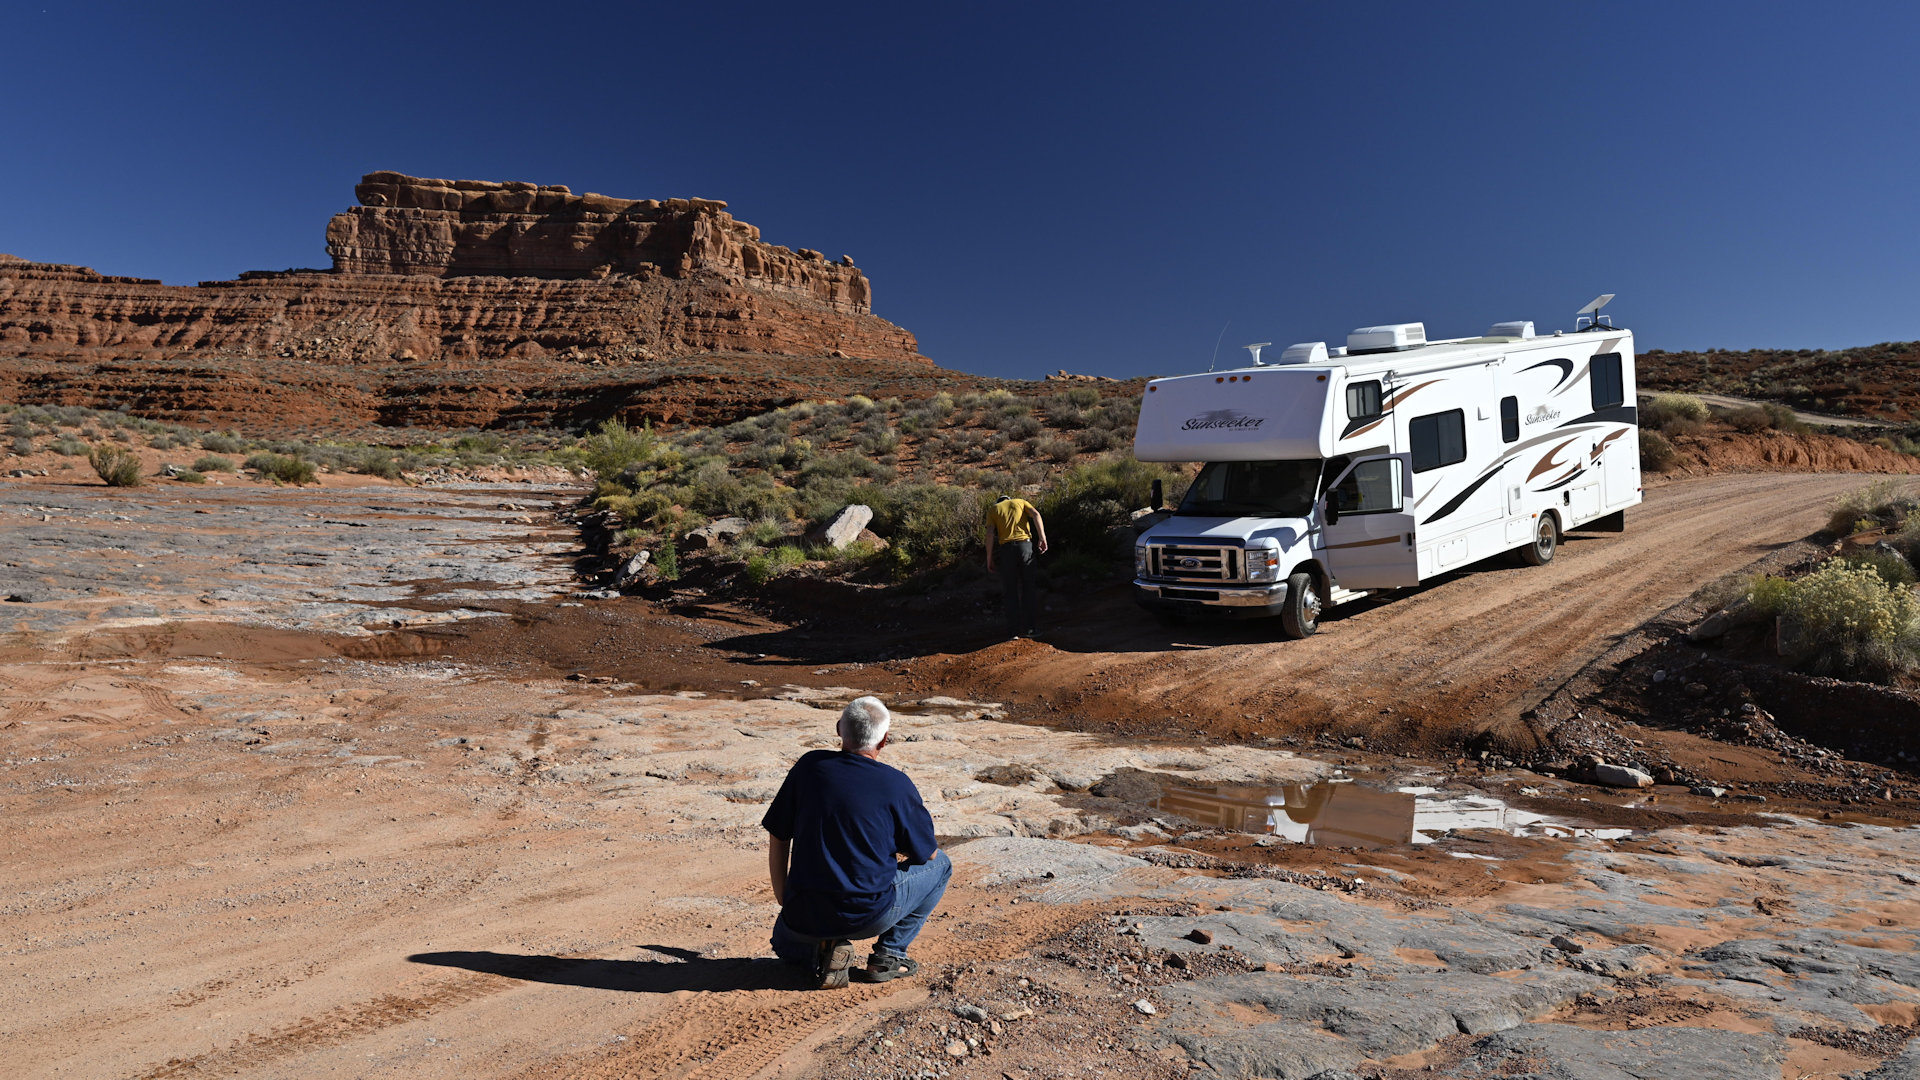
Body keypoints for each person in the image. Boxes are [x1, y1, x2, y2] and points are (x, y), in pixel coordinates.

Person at [764, 696, 950, 990]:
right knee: (942, 865)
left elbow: (778, 833)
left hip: (802, 913)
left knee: (784, 945)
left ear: (839, 729)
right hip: (868, 914)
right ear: (884, 740)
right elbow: (927, 854)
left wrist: (783, 898)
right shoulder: (895, 784)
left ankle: (822, 951)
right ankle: (888, 955)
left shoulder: (809, 767)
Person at [984, 494, 1048, 637]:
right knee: (1028, 588)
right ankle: (1030, 629)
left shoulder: (993, 509)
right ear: (1009, 499)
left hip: (1006, 551)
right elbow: (1036, 514)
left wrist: (989, 558)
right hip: (1025, 546)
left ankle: (1013, 632)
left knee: (1010, 591)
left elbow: (989, 533)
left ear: (999, 501)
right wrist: (1042, 538)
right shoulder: (1020, 501)